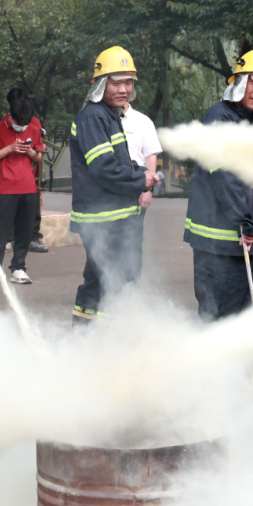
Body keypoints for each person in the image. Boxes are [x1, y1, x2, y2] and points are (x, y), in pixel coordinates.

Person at [184, 48, 253, 319]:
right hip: (221, 245)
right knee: (220, 320)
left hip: (250, 241)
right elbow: (224, 177)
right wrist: (244, 220)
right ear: (240, 81)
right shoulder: (219, 118)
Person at [69, 46, 157, 324]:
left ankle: (82, 333)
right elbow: (103, 168)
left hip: (109, 218)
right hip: (104, 220)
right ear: (100, 84)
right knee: (117, 282)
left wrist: (141, 171)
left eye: (128, 82)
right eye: (116, 82)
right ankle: (112, 339)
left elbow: (117, 162)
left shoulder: (108, 114)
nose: (124, 89)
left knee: (97, 281)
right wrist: (140, 179)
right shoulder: (95, 117)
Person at [0, 97, 43, 287]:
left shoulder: (33, 129)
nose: (22, 126)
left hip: (28, 187)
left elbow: (39, 157)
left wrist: (29, 151)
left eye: (25, 123)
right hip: (4, 188)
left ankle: (18, 268)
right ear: (10, 116)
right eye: (19, 122)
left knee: (25, 231)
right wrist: (10, 148)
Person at [5, 87, 49, 253]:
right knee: (10, 207)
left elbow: (42, 148)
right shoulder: (5, 122)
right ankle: (8, 239)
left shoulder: (34, 121)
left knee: (33, 206)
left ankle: (33, 237)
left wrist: (32, 151)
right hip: (11, 174)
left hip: (31, 173)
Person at [121, 98, 163, 216]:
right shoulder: (102, 119)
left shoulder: (142, 121)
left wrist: (148, 190)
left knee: (133, 226)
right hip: (109, 187)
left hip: (136, 188)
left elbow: (151, 156)